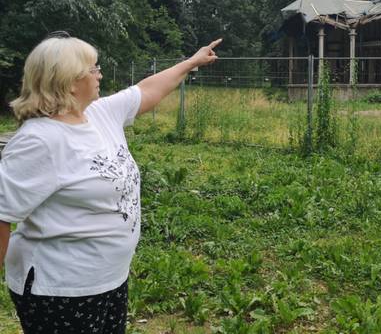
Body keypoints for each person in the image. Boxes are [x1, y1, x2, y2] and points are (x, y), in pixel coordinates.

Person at [0, 32, 221, 334]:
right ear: (68, 78)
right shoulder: (39, 141)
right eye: (93, 68)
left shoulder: (98, 113)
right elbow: (2, 215)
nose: (99, 73)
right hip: (60, 292)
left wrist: (192, 62)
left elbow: (147, 89)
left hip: (108, 280)